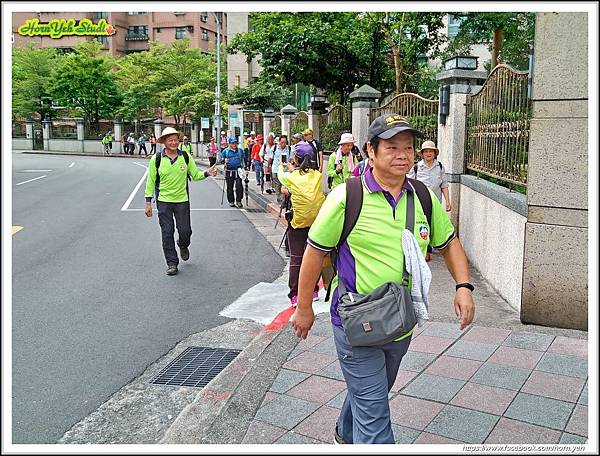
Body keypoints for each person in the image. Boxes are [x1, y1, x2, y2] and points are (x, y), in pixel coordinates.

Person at [292, 114, 475, 444]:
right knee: (375, 416)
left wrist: (463, 286)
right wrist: (303, 308)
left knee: (372, 392)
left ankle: (345, 432)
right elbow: (314, 253)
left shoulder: (421, 196)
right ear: (370, 151)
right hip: (354, 320)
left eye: (408, 147)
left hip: (400, 320)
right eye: (392, 147)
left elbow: (449, 243)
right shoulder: (347, 197)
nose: (403, 154)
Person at [144, 127, 218, 275]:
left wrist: (207, 173)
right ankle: (172, 263)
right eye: (170, 140)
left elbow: (195, 175)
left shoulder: (185, 156)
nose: (173, 143)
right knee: (167, 232)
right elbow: (151, 181)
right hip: (163, 201)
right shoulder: (156, 159)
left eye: (175, 140)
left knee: (185, 231)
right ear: (164, 142)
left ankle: (183, 245)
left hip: (182, 200)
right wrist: (148, 203)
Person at [278, 141, 326, 307]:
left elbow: (281, 179)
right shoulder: (317, 176)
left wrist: (281, 167)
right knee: (313, 257)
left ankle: (295, 295)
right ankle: (313, 291)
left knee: (296, 259)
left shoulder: (290, 177)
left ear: (296, 159)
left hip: (297, 224)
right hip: (316, 223)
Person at [407, 140, 451, 262]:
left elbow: (444, 185)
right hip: (419, 201)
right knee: (422, 223)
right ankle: (425, 247)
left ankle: (431, 244)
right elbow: (408, 184)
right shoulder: (416, 167)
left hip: (435, 202)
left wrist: (447, 201)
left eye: (430, 151)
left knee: (432, 222)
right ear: (422, 154)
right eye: (426, 151)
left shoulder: (440, 167)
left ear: (434, 153)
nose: (428, 153)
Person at [220, 137, 245, 208]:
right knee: (230, 187)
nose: (234, 144)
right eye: (233, 143)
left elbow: (244, 160)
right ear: (229, 144)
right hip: (229, 171)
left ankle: (239, 200)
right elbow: (221, 160)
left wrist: (246, 169)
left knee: (239, 186)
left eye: (235, 143)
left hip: (238, 171)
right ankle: (231, 201)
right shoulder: (226, 151)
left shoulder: (240, 151)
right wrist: (224, 161)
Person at [272, 134, 290, 204]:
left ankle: (283, 200)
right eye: (282, 142)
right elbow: (271, 158)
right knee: (277, 185)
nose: (283, 144)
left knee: (283, 185)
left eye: (285, 142)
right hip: (275, 169)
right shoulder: (274, 148)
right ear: (279, 142)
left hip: (285, 171)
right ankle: (280, 200)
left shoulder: (289, 149)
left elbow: (291, 159)